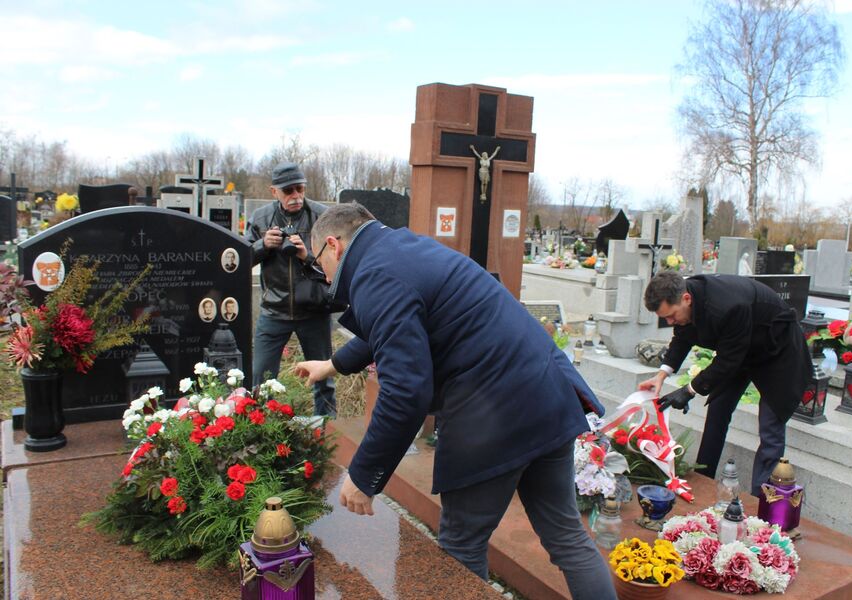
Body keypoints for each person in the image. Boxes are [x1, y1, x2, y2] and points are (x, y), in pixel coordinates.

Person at [293, 203, 616, 600]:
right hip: (546, 392)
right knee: (566, 536)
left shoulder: (374, 275)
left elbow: (405, 390)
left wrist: (364, 475)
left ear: (333, 244)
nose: (322, 275)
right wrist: (332, 365)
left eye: (318, 263)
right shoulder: (400, 250)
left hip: (494, 411)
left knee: (461, 545)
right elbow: (392, 324)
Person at [638, 271, 813, 495]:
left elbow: (728, 361)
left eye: (671, 316)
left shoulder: (728, 306)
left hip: (777, 351)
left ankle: (761, 500)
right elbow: (683, 336)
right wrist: (662, 375)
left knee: (770, 427)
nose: (670, 322)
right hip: (741, 348)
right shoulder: (685, 296)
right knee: (718, 410)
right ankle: (703, 479)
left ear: (686, 299)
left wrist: (689, 390)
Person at [245, 162, 336, 416]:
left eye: (300, 188)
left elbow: (338, 261)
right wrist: (263, 245)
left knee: (324, 380)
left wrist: (306, 255)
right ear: (274, 192)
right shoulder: (260, 218)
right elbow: (241, 260)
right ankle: (260, 432)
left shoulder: (321, 216)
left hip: (315, 310)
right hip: (274, 310)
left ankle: (326, 430)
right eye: (289, 191)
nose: (296, 196)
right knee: (261, 381)